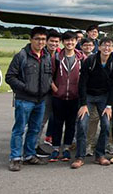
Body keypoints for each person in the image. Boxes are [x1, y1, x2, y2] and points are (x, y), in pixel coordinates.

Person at [6, 27, 52, 171]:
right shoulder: (21, 56)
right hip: (24, 100)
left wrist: (46, 87)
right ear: (31, 39)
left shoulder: (46, 56)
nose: (41, 42)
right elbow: (10, 77)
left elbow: (49, 75)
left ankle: (29, 155)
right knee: (19, 129)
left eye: (43, 39)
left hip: (40, 100)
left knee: (35, 129)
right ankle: (15, 158)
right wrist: (25, 87)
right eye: (37, 38)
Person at [73, 37, 113, 168]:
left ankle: (100, 155)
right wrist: (83, 104)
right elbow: (82, 83)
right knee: (82, 124)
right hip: (88, 95)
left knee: (105, 124)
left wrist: (109, 105)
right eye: (104, 45)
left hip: (103, 97)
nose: (106, 48)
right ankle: (80, 157)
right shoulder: (90, 61)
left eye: (109, 46)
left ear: (112, 48)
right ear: (99, 47)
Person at [48, 31, 86, 163]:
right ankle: (55, 149)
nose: (70, 43)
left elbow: (85, 77)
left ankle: (67, 149)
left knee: (71, 124)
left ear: (76, 41)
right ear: (63, 42)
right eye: (67, 40)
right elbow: (49, 76)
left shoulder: (81, 58)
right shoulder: (57, 57)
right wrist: (56, 89)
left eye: (72, 40)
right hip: (59, 97)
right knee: (57, 124)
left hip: (75, 97)